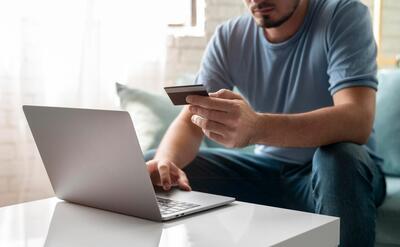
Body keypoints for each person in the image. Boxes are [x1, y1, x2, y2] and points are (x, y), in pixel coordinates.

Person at [145, 0, 386, 246]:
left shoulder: (342, 15)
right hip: (267, 171)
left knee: (337, 158)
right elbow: (192, 118)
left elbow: (358, 120)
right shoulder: (230, 36)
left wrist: (258, 128)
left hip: (340, 173)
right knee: (155, 169)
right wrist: (167, 161)